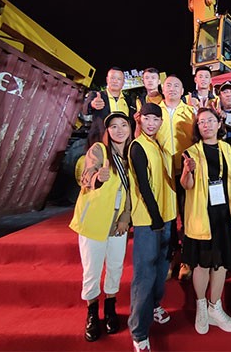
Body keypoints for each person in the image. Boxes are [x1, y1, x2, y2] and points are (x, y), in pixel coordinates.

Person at [68, 111, 133, 342]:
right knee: (92, 270)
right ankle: (92, 312)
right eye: (113, 126)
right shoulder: (99, 150)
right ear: (107, 131)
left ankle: (111, 307)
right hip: (94, 221)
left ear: (130, 129)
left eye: (123, 125)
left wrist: (126, 216)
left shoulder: (131, 155)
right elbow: (86, 175)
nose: (119, 130)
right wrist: (98, 178)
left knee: (115, 267)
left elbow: (131, 191)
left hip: (117, 223)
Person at [180, 108, 231, 335]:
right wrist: (187, 172)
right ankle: (201, 307)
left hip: (225, 213)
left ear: (218, 124)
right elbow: (186, 186)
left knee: (221, 262)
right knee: (202, 263)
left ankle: (215, 306)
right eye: (201, 122)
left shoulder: (227, 148)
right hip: (202, 215)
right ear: (197, 127)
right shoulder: (191, 152)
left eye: (210, 121)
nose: (206, 125)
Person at [127, 103, 177, 352]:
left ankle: (155, 305)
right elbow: (144, 185)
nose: (151, 123)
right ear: (140, 120)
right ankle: (139, 332)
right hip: (149, 220)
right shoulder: (138, 146)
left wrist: (169, 219)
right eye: (146, 118)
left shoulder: (158, 145)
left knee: (161, 266)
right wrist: (156, 216)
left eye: (155, 120)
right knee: (145, 273)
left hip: (166, 216)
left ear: (160, 123)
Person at [157, 75, 197, 280]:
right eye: (168, 85)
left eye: (176, 86)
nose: (172, 89)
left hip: (184, 172)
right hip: (162, 173)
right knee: (168, 219)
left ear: (182, 91)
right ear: (162, 89)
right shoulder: (154, 112)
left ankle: (187, 260)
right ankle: (170, 257)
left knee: (187, 215)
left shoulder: (191, 112)